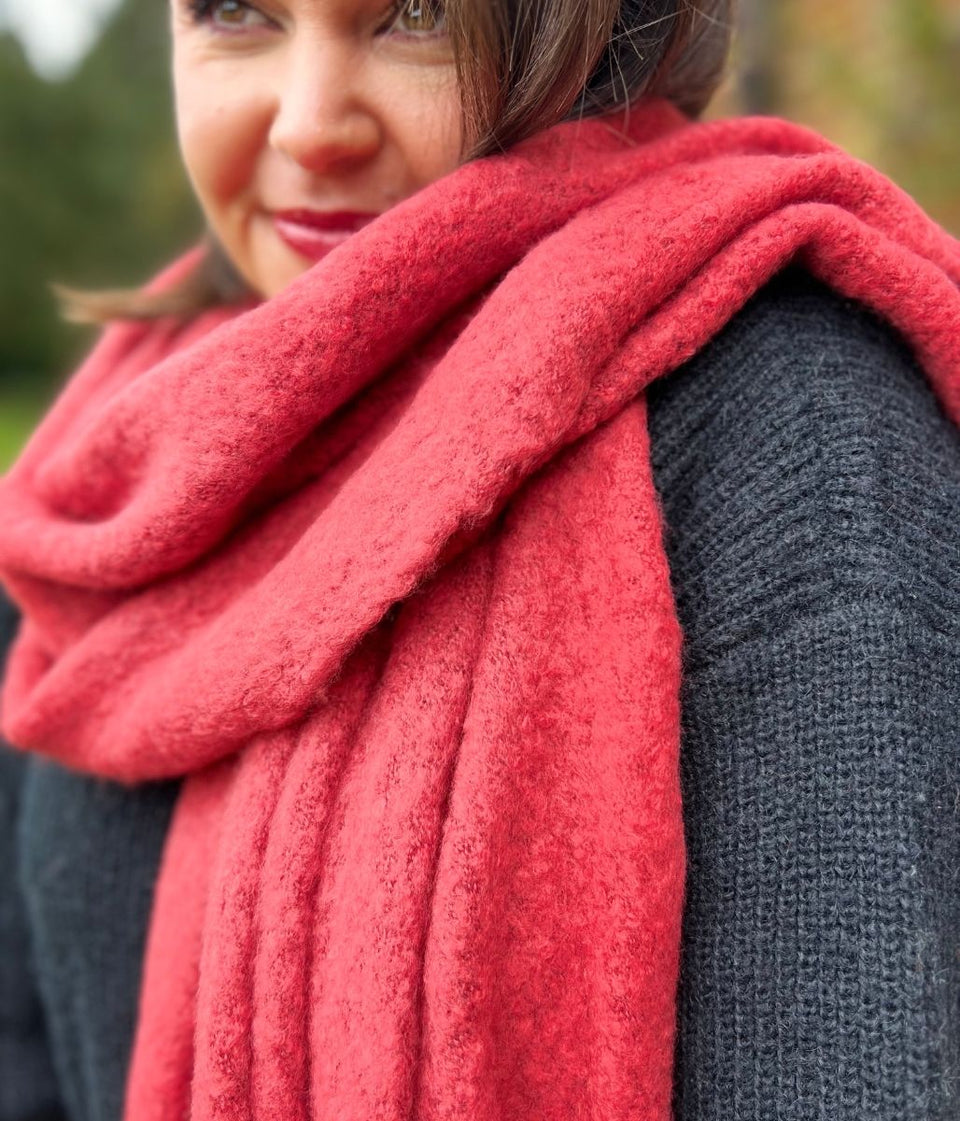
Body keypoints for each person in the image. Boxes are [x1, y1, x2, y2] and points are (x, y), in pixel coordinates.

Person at [0, 3, 958, 1120]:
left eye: (415, 16)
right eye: (233, 12)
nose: (310, 125)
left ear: (601, 38)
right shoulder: (113, 478)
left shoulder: (789, 444)